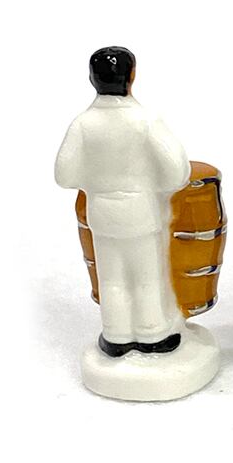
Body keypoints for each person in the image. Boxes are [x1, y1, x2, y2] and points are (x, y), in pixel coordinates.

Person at [55, 47, 191, 357]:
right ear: (132, 76)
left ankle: (116, 335)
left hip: (102, 213)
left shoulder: (83, 124)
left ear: (92, 79)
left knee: (112, 278)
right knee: (146, 277)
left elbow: (64, 174)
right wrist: (156, 187)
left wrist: (95, 180)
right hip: (139, 211)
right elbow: (176, 170)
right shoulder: (145, 120)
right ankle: (151, 334)